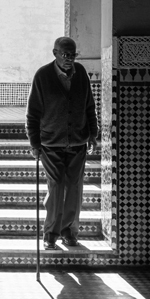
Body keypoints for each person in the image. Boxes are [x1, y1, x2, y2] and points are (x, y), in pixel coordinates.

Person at [26, 36, 98, 250]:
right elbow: (33, 114)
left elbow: (89, 106)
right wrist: (34, 143)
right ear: (55, 53)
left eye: (73, 55)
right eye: (65, 54)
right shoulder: (43, 76)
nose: (69, 59)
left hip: (77, 142)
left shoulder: (81, 73)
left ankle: (69, 232)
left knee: (74, 189)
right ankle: (50, 234)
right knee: (56, 187)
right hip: (51, 144)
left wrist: (93, 133)